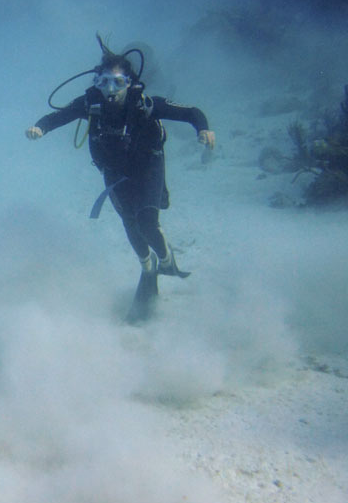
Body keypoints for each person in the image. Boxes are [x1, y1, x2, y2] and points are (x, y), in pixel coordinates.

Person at [26, 37, 215, 321]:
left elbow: (190, 112)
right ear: (96, 82)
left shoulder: (146, 104)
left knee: (147, 222)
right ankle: (147, 267)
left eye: (117, 83)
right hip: (114, 172)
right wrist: (39, 128)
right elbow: (60, 116)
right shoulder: (91, 104)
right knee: (130, 223)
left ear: (130, 82)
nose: (110, 91)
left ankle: (167, 261)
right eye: (103, 83)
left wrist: (204, 129)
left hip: (148, 165)